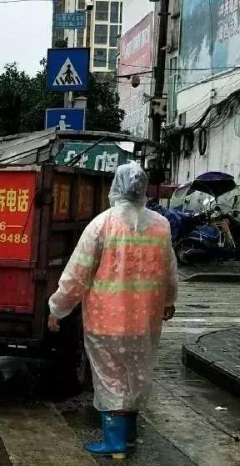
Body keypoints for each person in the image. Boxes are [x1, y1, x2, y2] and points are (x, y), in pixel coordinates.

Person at [47, 162, 177, 459]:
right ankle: (128, 434)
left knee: (109, 377)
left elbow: (77, 274)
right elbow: (170, 270)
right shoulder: (161, 225)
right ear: (144, 188)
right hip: (145, 319)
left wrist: (58, 308)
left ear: (116, 187)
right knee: (137, 374)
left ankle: (114, 442)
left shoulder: (102, 224)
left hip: (106, 319)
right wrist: (169, 300)